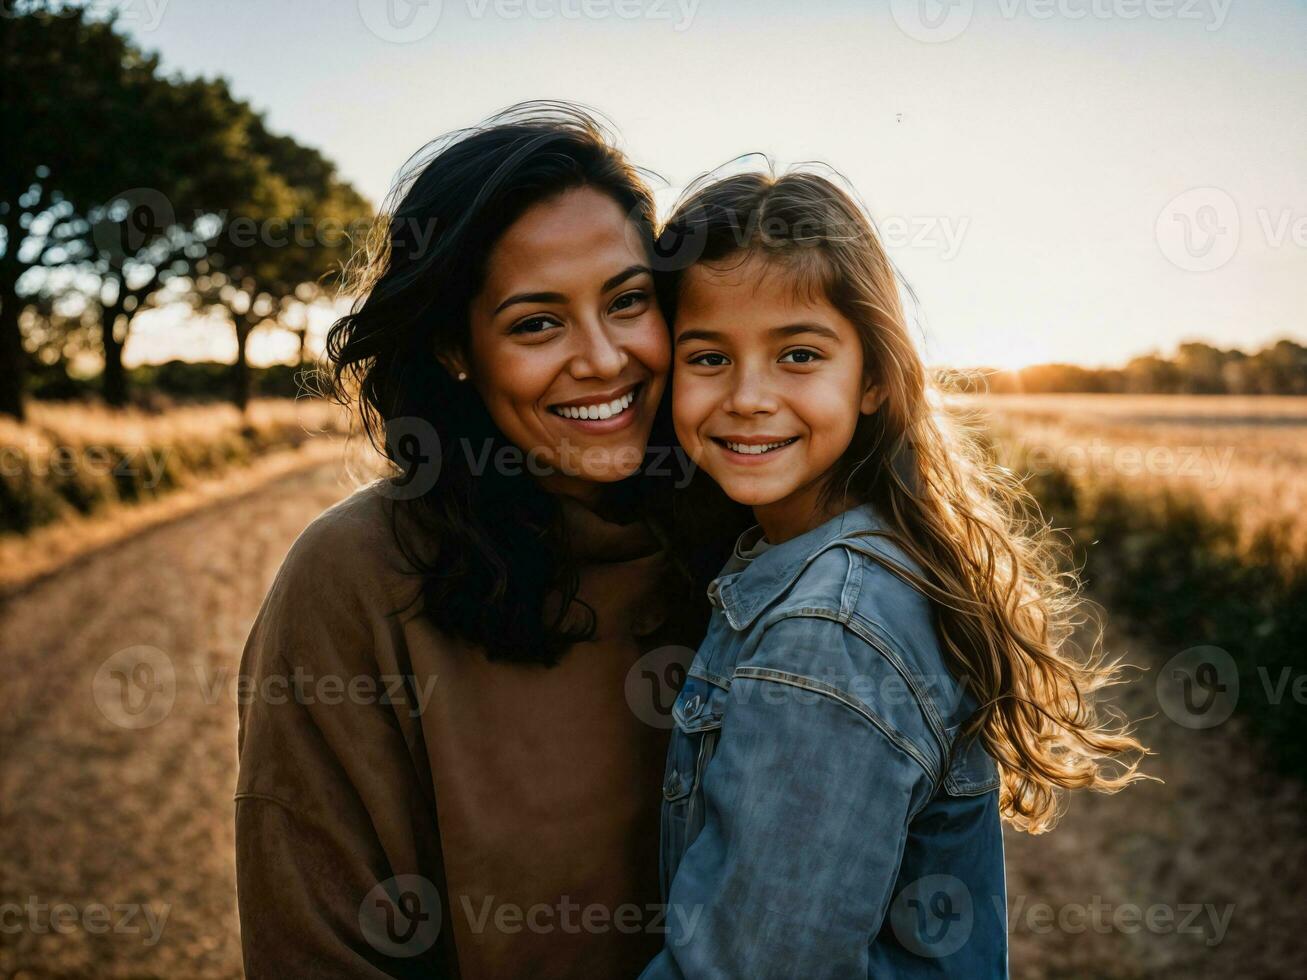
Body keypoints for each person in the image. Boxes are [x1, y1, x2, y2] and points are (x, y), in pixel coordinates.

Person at [234, 104, 735, 979]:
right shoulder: (356, 576)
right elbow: (318, 948)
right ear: (454, 348)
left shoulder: (749, 535)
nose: (603, 359)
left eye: (626, 301)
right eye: (537, 322)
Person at [639, 169, 1148, 977]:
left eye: (798, 354)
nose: (747, 397)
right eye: (707, 357)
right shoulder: (819, 560)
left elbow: (750, 966)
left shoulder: (826, 633)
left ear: (873, 377)